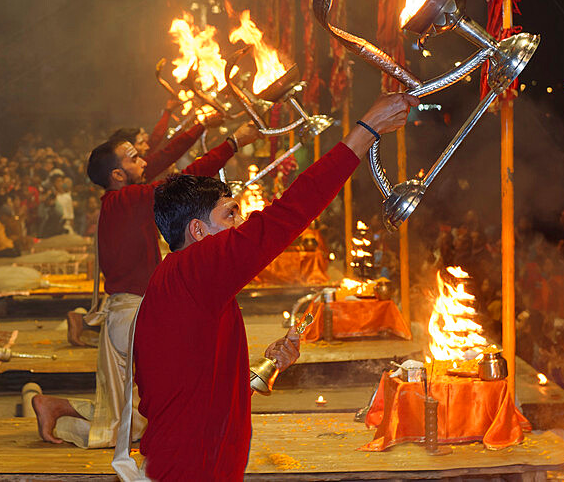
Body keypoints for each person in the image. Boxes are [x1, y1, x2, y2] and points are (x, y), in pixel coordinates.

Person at [131, 92, 415, 480]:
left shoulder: (187, 282)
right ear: (197, 231)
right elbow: (287, 213)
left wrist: (265, 367)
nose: (240, 222)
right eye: (229, 214)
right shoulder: (193, 269)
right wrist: (365, 133)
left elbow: (190, 386)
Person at [30, 117, 259, 456]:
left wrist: (198, 126)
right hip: (133, 314)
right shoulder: (129, 201)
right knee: (141, 422)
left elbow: (165, 157)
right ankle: (60, 414)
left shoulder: (124, 201)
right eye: (134, 158)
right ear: (118, 175)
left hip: (128, 313)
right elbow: (186, 181)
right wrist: (233, 144)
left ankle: (55, 406)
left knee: (130, 416)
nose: (144, 161)